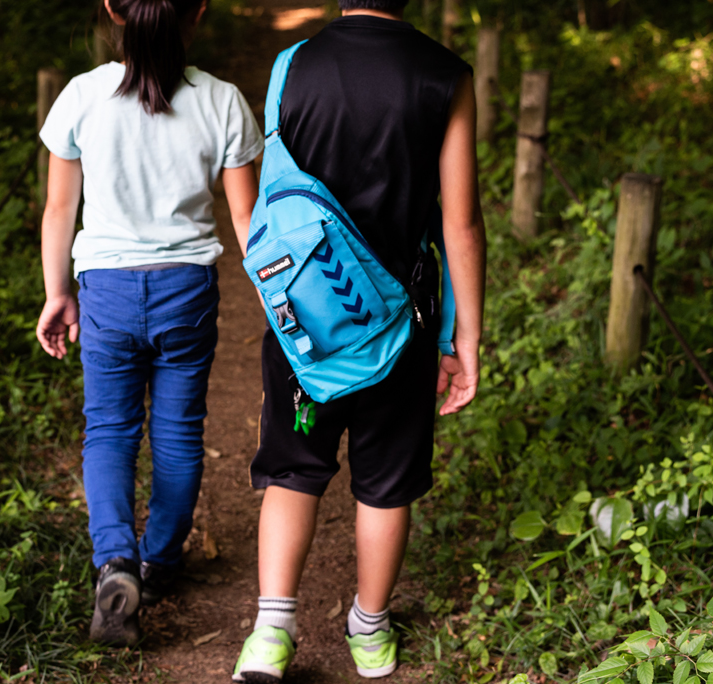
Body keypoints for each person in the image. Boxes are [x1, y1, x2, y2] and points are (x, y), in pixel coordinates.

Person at [232, 1, 486, 680]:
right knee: (386, 486)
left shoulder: (291, 65)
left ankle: (271, 631)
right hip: (401, 326)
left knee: (292, 470)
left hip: (302, 327)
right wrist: (468, 339)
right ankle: (369, 631)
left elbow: (277, 195)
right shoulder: (446, 74)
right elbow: (460, 223)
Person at [36, 0, 262, 647]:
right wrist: (282, 301)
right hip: (186, 290)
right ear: (200, 11)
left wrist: (57, 293)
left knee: (108, 429)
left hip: (103, 288)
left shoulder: (81, 96)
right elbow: (247, 226)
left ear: (113, 8)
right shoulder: (222, 101)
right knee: (179, 431)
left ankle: (115, 561)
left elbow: (59, 209)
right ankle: (158, 561)